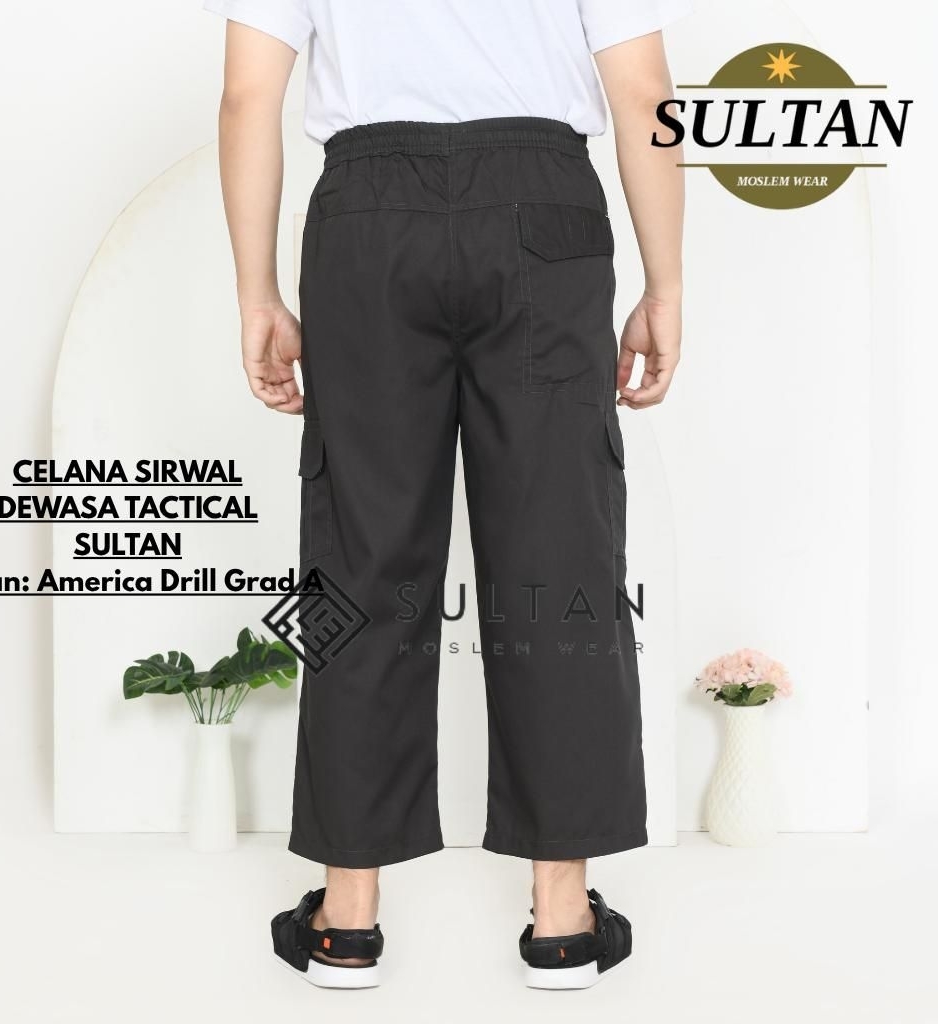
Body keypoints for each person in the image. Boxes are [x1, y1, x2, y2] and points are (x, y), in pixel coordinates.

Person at [204, 0, 688, 990]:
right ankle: (563, 923)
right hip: (545, 214)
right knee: (560, 549)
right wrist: (666, 283)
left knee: (356, 554)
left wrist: (256, 291)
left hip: (366, 223)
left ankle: (345, 920)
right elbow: (642, 91)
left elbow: (248, 95)